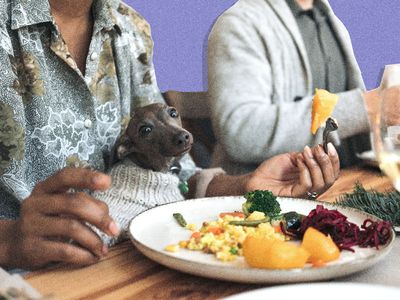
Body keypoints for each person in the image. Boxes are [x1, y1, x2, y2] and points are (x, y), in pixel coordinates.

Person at [0, 0, 339, 270]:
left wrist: (243, 187)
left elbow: (174, 172)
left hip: (122, 270)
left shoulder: (130, 27)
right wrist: (9, 240)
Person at [208, 0, 400, 175]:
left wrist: (390, 127)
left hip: (349, 185)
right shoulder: (238, 23)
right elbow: (241, 131)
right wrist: (367, 107)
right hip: (270, 204)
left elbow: (357, 126)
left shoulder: (332, 21)